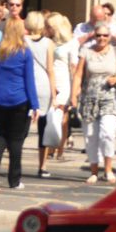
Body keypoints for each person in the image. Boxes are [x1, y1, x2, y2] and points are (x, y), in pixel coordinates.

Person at [0, 17, 38, 189]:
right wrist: (35, 105)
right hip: (19, 100)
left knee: (0, 135)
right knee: (16, 141)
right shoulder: (24, 52)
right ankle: (14, 180)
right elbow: (29, 80)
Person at [71, 24, 116, 184]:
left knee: (107, 133)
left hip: (108, 97)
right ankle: (94, 171)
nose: (102, 38)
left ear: (110, 37)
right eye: (98, 35)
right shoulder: (86, 51)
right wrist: (74, 94)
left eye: (105, 36)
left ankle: (108, 169)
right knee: (90, 136)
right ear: (94, 36)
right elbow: (78, 74)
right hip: (89, 97)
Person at [24, 11, 56, 178]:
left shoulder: (22, 41)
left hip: (26, 84)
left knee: (22, 125)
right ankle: (42, 166)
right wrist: (54, 93)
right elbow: (50, 69)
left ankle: (15, 159)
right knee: (43, 126)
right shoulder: (48, 43)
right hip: (43, 86)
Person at [45, 12, 78, 160]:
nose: (47, 29)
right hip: (48, 80)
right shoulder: (47, 41)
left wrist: (75, 90)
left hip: (64, 82)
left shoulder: (71, 42)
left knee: (62, 116)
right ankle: (51, 145)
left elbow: (73, 66)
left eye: (49, 26)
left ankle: (59, 148)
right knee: (51, 115)